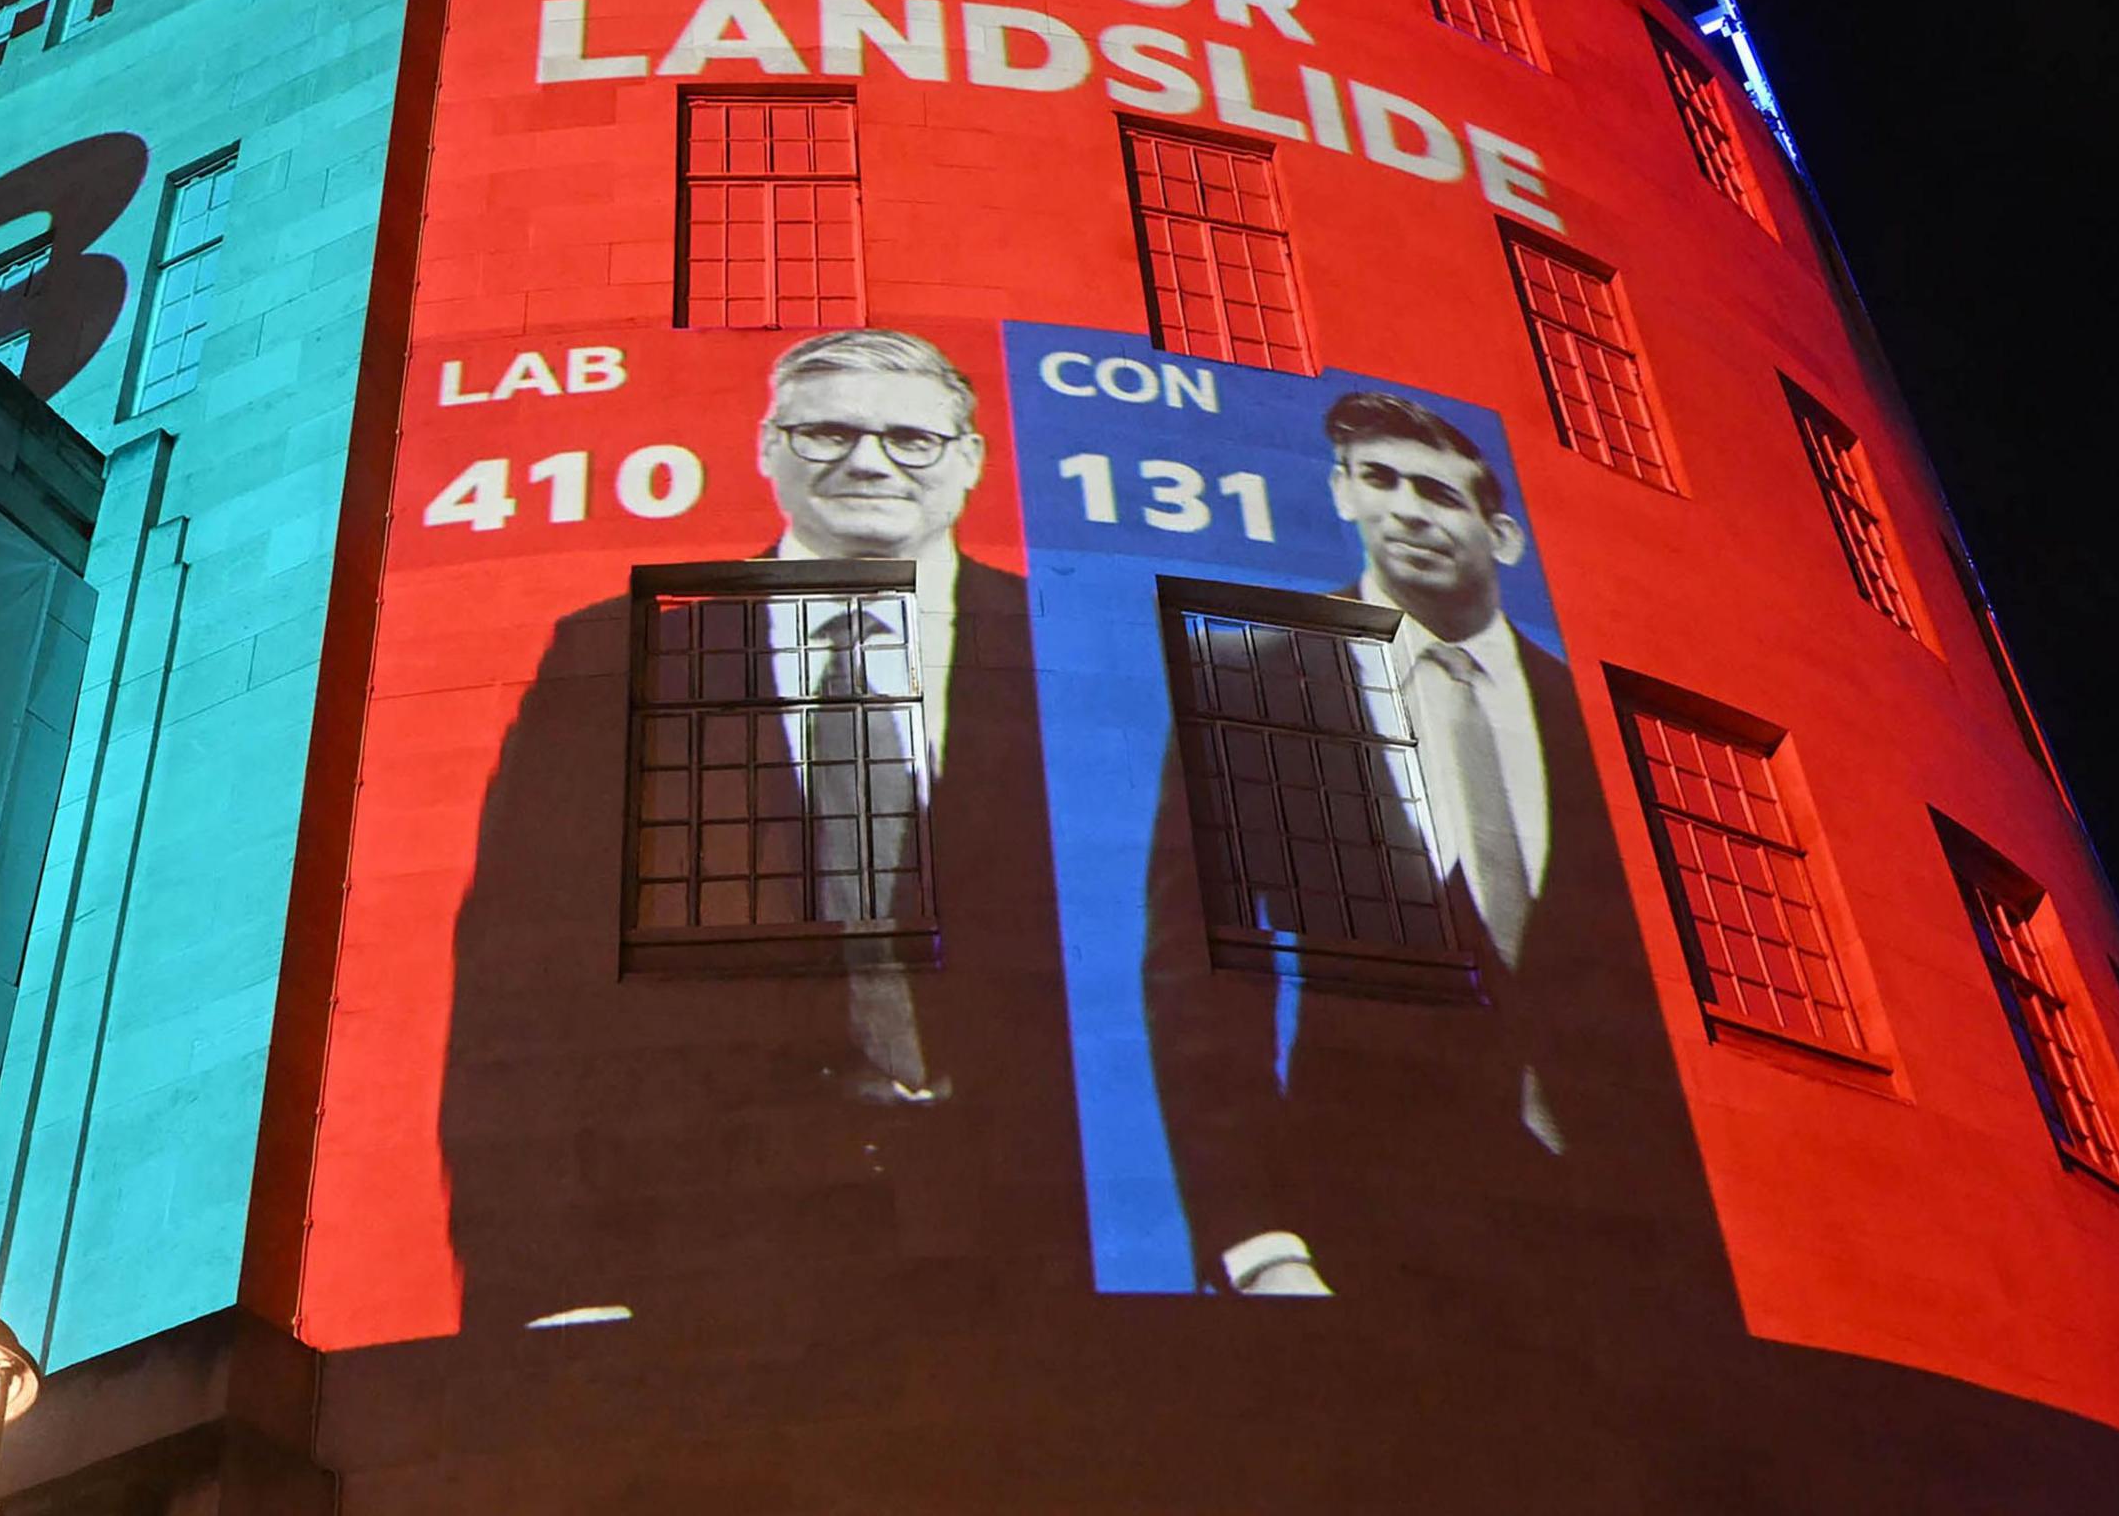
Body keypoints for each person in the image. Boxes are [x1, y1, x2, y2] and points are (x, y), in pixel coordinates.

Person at [441, 331, 1079, 1329]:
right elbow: (522, 982)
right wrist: (549, 1278)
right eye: (826, 430)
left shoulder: (1076, 649)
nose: (867, 461)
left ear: (971, 459)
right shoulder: (627, 648)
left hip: (1048, 1233)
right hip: (706, 1244)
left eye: (911, 437)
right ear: (766, 448)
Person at [1143, 391, 1731, 1318]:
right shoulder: (1255, 681)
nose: (1405, 509)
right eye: (1377, 479)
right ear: (1341, 492)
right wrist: (1255, 1241)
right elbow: (1202, 971)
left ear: (1502, 536)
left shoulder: (1589, 717)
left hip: (1629, 1238)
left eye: (1437, 492)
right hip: (1367, 1226)